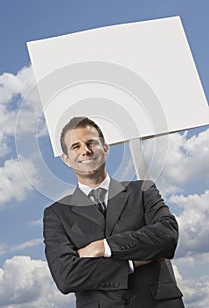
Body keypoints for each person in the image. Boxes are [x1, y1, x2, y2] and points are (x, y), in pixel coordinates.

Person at [43, 117, 185, 308]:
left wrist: (104, 247)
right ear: (66, 159)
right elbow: (66, 276)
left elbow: (167, 235)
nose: (86, 150)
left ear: (106, 148)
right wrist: (132, 262)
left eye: (91, 142)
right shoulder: (57, 214)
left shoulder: (142, 190)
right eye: (76, 146)